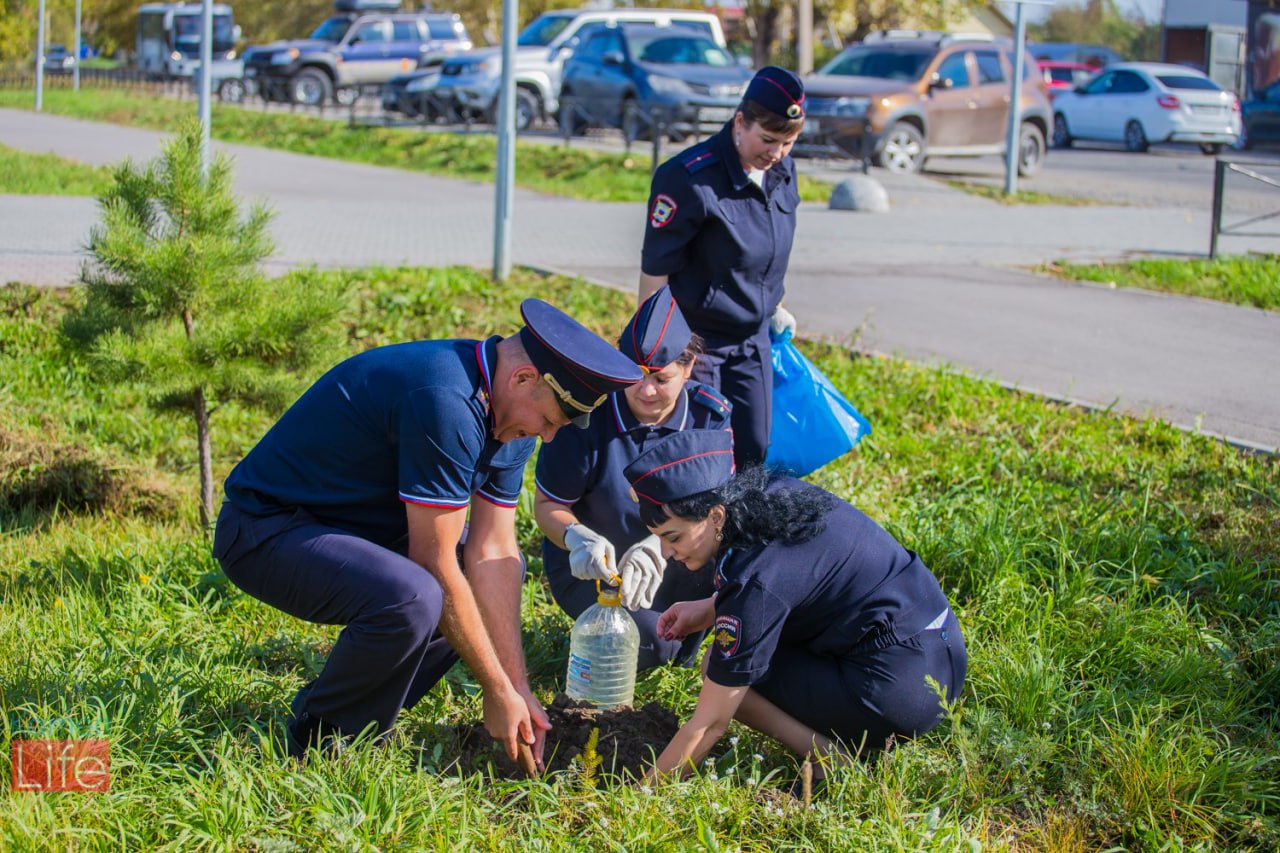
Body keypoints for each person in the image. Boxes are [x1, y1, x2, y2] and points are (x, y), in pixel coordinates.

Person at [212, 299, 644, 763]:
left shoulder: (509, 415)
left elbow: (494, 550)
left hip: (356, 531)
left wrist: (515, 685)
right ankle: (317, 736)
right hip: (267, 530)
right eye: (549, 421)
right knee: (416, 595)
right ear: (523, 379)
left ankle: (359, 725)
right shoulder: (446, 400)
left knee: (477, 580)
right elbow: (432, 562)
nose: (549, 436)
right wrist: (495, 689)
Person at [622, 429, 967, 784]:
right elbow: (799, 576)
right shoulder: (771, 497)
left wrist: (642, 796)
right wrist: (713, 608)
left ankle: (830, 758)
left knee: (718, 666)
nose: (666, 553)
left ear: (716, 516)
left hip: (900, 693)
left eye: (673, 537)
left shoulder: (753, 583)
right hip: (938, 650)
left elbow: (710, 724)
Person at [533, 287, 732, 670]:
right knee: (649, 643)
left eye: (661, 378)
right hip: (597, 571)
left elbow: (720, 512)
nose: (646, 391)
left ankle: (692, 633)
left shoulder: (708, 417)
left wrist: (658, 545)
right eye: (636, 375)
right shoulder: (589, 415)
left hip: (680, 559)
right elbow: (548, 505)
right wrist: (577, 537)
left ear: (688, 368)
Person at [638, 65, 806, 469]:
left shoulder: (781, 172)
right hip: (699, 342)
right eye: (768, 140)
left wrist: (774, 305)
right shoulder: (688, 179)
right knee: (699, 452)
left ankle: (741, 513)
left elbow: (767, 247)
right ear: (740, 122)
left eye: (788, 142)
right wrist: (653, 348)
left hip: (753, 338)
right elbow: (655, 269)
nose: (777, 153)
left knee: (754, 447)